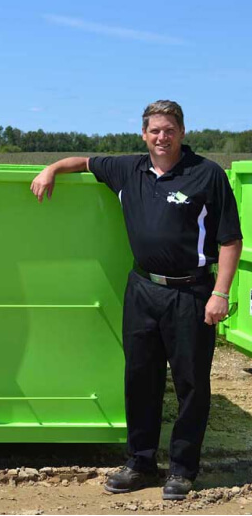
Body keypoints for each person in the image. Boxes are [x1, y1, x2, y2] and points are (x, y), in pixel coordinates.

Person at [30, 100, 242, 500]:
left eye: (169, 130)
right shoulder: (129, 169)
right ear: (143, 134)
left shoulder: (207, 175)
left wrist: (220, 294)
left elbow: (230, 239)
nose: (162, 137)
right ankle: (140, 462)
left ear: (182, 132)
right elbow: (85, 162)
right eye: (155, 130)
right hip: (142, 289)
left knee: (191, 384)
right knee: (140, 378)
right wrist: (53, 168)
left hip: (192, 293)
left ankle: (182, 469)